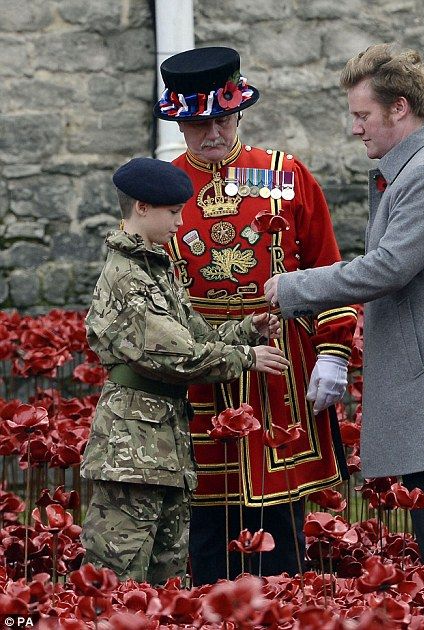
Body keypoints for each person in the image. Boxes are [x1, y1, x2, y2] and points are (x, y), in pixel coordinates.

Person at [264, 43, 424, 569]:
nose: (355, 128)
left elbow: (386, 268)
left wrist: (291, 288)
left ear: (399, 107)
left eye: (363, 115)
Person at [153, 46, 357, 584]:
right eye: (197, 123)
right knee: (204, 524)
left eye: (221, 118)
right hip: (196, 374)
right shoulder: (164, 187)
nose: (211, 133)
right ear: (179, 121)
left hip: (277, 373)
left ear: (238, 111)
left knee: (280, 524)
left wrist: (334, 352)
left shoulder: (282, 174)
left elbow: (328, 269)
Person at [81, 157, 289, 584]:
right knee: (118, 582)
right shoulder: (126, 277)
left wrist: (250, 329)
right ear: (142, 207)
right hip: (130, 452)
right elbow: (178, 355)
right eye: (173, 212)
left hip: (161, 447)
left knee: (167, 583)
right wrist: (249, 359)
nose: (181, 221)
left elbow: (196, 333)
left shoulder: (156, 269)